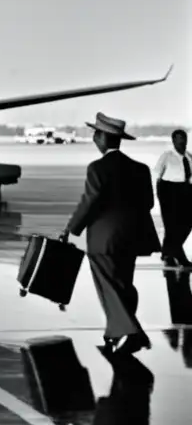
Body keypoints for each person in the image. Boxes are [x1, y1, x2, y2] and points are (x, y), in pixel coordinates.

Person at [65, 112, 160, 357]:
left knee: (109, 286)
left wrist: (70, 228)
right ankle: (115, 334)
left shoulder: (97, 168)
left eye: (96, 134)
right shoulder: (140, 169)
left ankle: (131, 332)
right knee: (124, 285)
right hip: (132, 237)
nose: (94, 139)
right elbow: (148, 203)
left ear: (105, 138)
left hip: (104, 239)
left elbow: (90, 201)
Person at [153, 128, 191, 268]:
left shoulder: (189, 157)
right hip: (169, 191)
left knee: (187, 224)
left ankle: (168, 251)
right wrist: (158, 195)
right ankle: (179, 257)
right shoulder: (167, 156)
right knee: (171, 226)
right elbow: (156, 175)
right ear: (173, 141)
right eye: (179, 139)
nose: (182, 142)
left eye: (184, 138)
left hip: (186, 190)